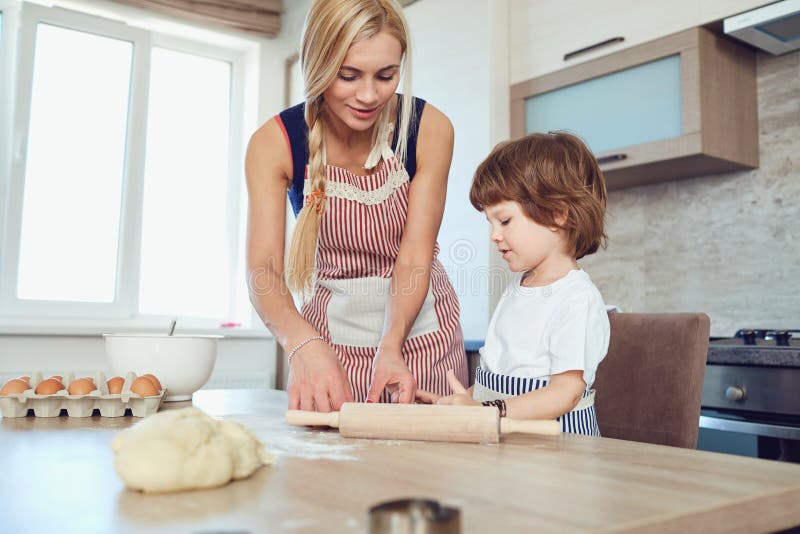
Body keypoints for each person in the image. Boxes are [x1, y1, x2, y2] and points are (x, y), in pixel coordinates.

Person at [245, 0, 467, 412]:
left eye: (386, 76)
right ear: (318, 65)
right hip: (327, 349)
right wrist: (303, 345)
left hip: (421, 342)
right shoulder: (274, 144)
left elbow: (415, 256)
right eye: (348, 76)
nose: (368, 95)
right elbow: (264, 270)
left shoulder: (429, 129)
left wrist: (391, 344)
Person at [417, 132, 610, 435]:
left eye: (505, 221)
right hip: (515, 447)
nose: (494, 235)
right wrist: (461, 401)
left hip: (558, 456)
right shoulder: (518, 288)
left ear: (557, 214)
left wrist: (487, 411)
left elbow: (565, 392)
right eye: (490, 224)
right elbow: (504, 375)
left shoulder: (576, 298)